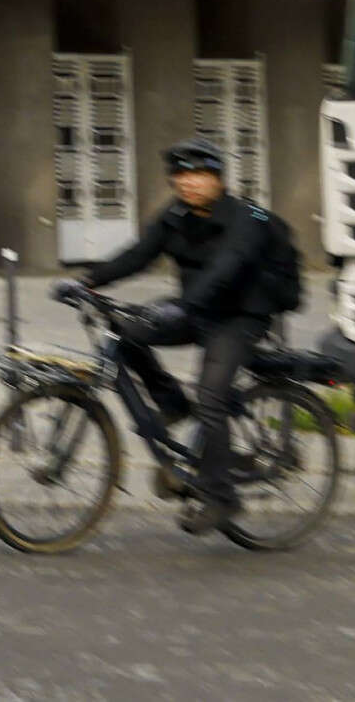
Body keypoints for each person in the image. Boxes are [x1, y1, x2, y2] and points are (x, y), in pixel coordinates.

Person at [72, 136, 307, 530]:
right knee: (124, 328)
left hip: (241, 316)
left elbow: (227, 267)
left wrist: (182, 305)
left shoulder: (247, 219)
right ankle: (173, 403)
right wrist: (88, 282)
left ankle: (221, 497)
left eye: (199, 174)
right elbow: (138, 255)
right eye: (180, 175)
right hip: (198, 309)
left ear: (218, 179)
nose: (188, 182)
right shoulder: (176, 217)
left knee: (212, 395)